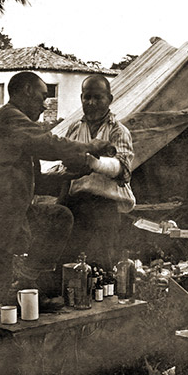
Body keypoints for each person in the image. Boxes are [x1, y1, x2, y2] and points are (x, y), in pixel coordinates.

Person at [0, 71, 114, 308]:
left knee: (58, 217)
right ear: (27, 92)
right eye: (42, 97)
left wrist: (72, 175)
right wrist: (90, 147)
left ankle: (27, 285)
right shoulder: (9, 118)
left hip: (10, 214)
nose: (44, 105)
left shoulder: (18, 128)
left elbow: (35, 182)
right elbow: (47, 144)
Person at [56, 75, 135, 270]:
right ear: (81, 98)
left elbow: (123, 170)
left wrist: (93, 163)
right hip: (74, 204)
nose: (91, 103)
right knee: (68, 260)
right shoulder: (74, 128)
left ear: (110, 99)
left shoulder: (118, 131)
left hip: (103, 207)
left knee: (100, 263)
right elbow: (65, 166)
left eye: (98, 97)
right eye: (87, 97)